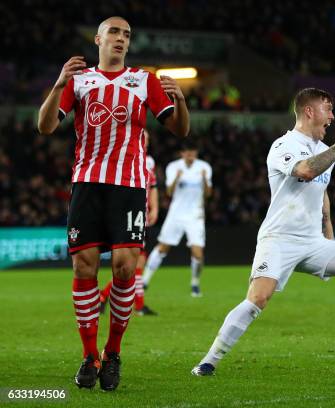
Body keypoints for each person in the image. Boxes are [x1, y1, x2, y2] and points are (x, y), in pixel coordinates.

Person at [191, 88, 335, 376]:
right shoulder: (283, 145)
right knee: (258, 299)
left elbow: (321, 193)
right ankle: (209, 360)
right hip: (279, 239)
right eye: (328, 109)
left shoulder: (322, 150)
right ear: (309, 111)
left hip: (313, 241)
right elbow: (306, 171)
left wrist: (329, 234)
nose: (332, 117)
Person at [37, 16, 190, 391]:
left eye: (127, 35)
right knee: (83, 266)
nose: (121, 39)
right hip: (87, 184)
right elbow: (45, 126)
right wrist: (58, 84)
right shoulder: (77, 81)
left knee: (124, 268)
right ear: (99, 39)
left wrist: (181, 101)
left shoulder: (144, 80)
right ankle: (90, 355)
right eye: (115, 33)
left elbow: (179, 129)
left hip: (129, 185)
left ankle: (113, 352)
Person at [142, 139, 212, 297]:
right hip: (176, 214)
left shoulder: (204, 168)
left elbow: (208, 194)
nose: (191, 155)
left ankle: (195, 283)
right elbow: (169, 192)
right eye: (188, 152)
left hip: (195, 215)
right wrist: (177, 178)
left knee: (198, 253)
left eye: (193, 152)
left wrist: (204, 180)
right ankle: (145, 280)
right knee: (162, 247)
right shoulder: (174, 167)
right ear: (182, 153)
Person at [100, 129, 159, 316]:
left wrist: (154, 208)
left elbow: (153, 186)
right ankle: (137, 305)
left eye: (147, 138)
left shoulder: (149, 161)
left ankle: (107, 297)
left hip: (142, 215)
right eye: (143, 137)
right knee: (135, 263)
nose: (146, 141)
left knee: (137, 262)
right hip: (130, 214)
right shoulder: (125, 158)